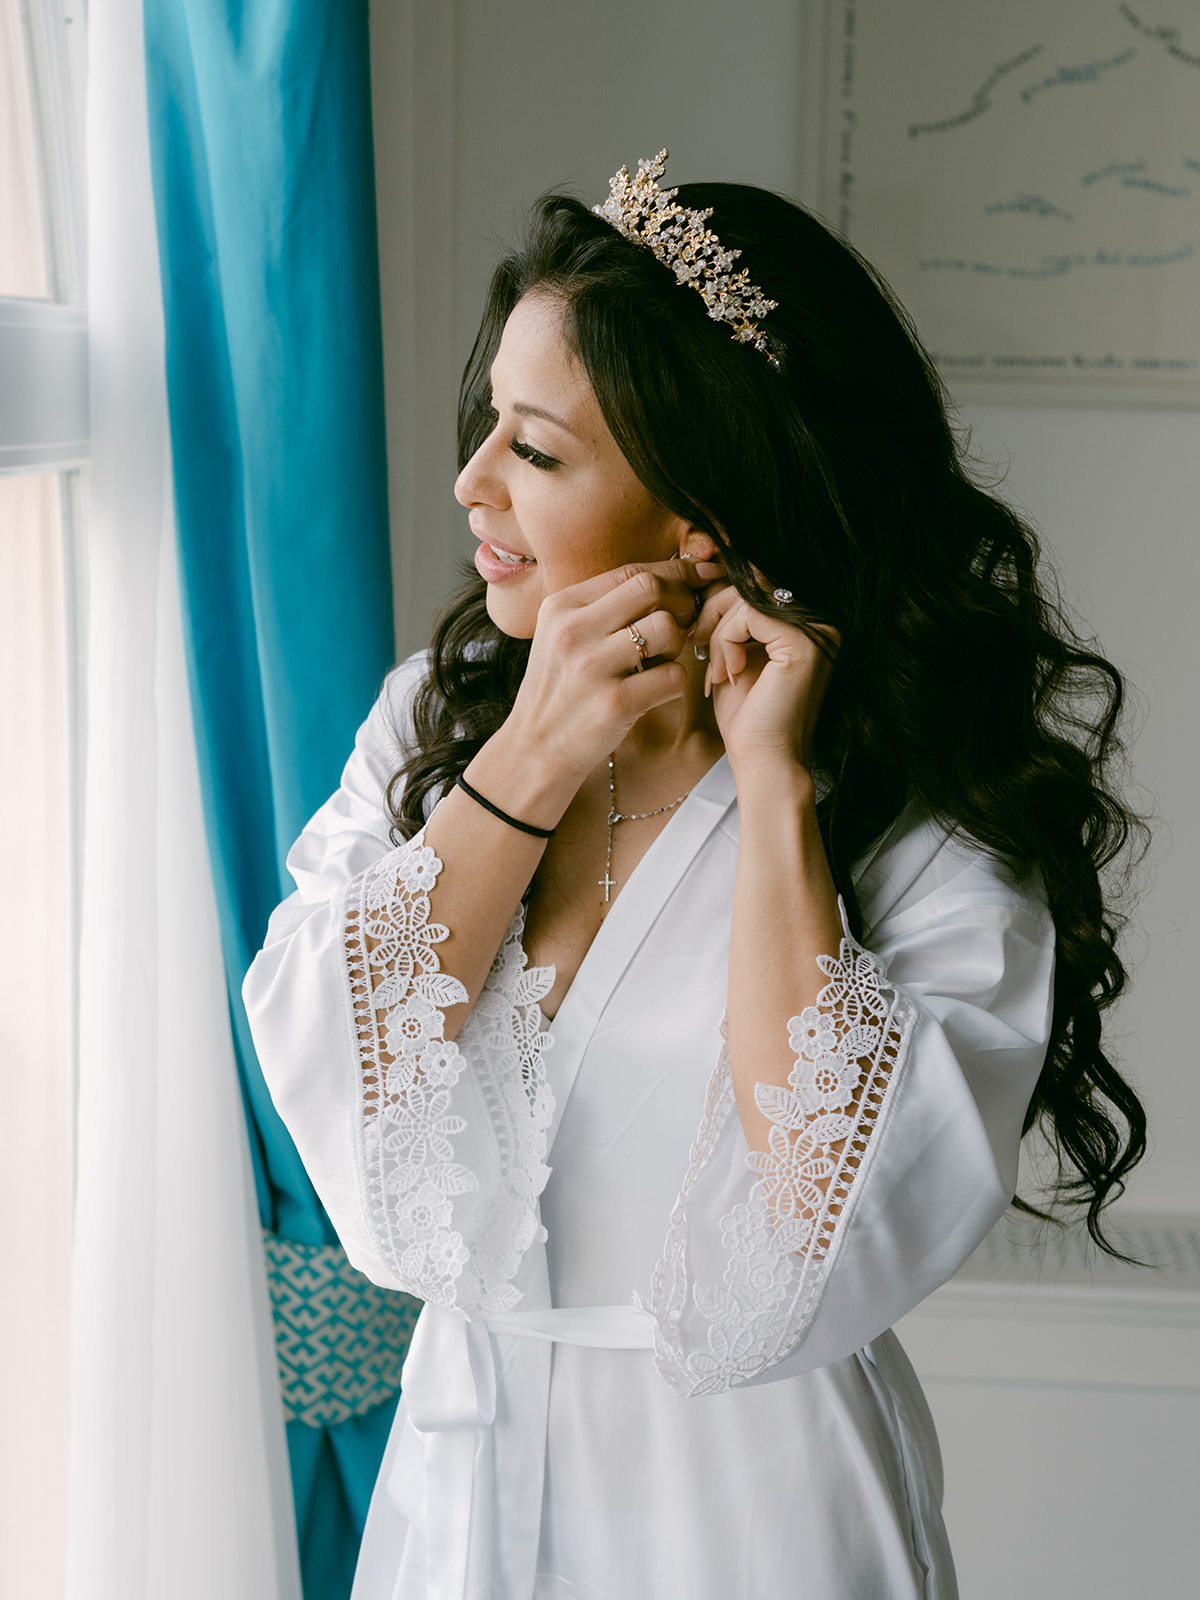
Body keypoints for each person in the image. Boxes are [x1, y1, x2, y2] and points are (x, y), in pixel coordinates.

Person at [244, 151, 1147, 1599]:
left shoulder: (917, 815)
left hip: (751, 1515)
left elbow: (824, 1227)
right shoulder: (435, 719)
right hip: (457, 1491)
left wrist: (778, 788)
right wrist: (529, 759)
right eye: (491, 426)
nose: (471, 480)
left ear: (702, 512)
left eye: (534, 451)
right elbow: (329, 1084)